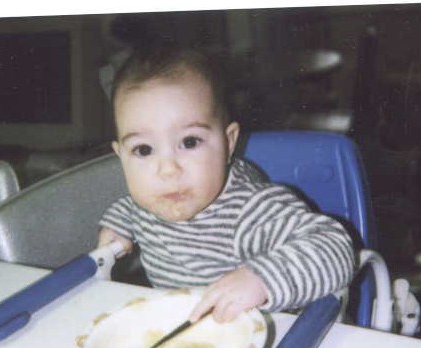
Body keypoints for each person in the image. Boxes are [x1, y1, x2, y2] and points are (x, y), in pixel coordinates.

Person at [97, 45, 356, 324]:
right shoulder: (149, 201)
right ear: (121, 156)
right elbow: (129, 208)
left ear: (228, 142)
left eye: (189, 142)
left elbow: (337, 249)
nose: (168, 170)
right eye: (144, 150)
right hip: (189, 330)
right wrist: (116, 228)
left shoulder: (250, 210)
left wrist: (261, 280)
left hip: (276, 334)